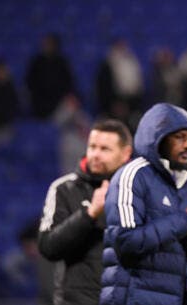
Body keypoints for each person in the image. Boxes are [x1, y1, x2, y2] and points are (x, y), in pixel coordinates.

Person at [100, 102, 187, 305]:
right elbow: (125, 242)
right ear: (158, 138)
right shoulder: (132, 176)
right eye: (179, 137)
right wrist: (186, 220)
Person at [38, 119, 133, 305]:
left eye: (105, 149)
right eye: (92, 147)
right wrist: (89, 213)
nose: (95, 154)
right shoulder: (64, 189)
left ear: (126, 153)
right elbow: (48, 246)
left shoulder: (138, 192)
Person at [26, 33, 75, 119]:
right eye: (46, 44)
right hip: (39, 105)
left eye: (50, 44)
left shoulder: (62, 62)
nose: (47, 46)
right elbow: (30, 83)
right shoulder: (37, 62)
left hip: (59, 105)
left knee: (72, 107)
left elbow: (69, 83)